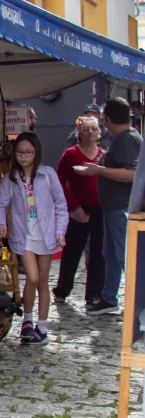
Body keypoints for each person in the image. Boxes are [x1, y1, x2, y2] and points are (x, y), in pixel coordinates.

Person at [0, 132, 68, 345]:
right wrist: (0, 222)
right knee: (32, 278)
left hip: (46, 234)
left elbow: (61, 205)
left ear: (36, 153)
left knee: (42, 282)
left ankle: (40, 327)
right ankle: (27, 319)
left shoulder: (48, 175)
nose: (24, 156)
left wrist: (60, 231)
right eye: (20, 152)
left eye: (28, 152)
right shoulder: (11, 178)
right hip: (23, 235)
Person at [75, 97, 142, 315]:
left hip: (121, 207)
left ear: (109, 119)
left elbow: (130, 174)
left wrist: (99, 170)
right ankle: (109, 297)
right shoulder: (125, 139)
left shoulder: (127, 139)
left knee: (125, 255)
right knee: (111, 254)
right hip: (113, 206)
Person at [53, 116, 105, 306]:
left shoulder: (103, 155)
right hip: (78, 209)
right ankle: (62, 290)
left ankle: (94, 294)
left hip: (100, 209)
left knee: (99, 252)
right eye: (86, 129)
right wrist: (74, 206)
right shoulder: (71, 154)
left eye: (93, 129)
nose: (90, 132)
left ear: (99, 132)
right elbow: (59, 182)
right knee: (73, 251)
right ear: (78, 132)